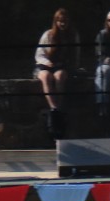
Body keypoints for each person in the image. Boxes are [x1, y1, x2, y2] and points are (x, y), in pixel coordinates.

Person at [35, 8, 80, 139]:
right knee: (46, 76)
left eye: (65, 21)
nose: (62, 24)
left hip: (61, 67)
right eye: (60, 21)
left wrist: (71, 67)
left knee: (59, 76)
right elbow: (39, 55)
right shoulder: (48, 35)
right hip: (44, 65)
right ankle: (54, 109)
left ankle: (57, 110)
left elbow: (75, 57)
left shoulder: (73, 36)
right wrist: (47, 62)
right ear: (56, 22)